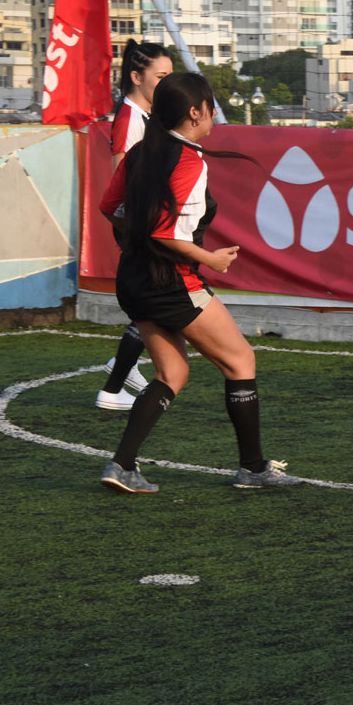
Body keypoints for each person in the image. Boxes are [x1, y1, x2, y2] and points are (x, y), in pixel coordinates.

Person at [97, 72, 300, 493]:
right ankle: (253, 469)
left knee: (172, 372)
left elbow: (109, 208)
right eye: (210, 106)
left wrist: (138, 238)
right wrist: (210, 258)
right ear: (195, 112)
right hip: (171, 282)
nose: (214, 115)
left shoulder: (138, 153)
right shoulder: (190, 161)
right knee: (240, 361)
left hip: (132, 280)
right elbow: (164, 234)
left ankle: (121, 466)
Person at [96, 40, 174, 412]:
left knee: (154, 306)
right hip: (139, 226)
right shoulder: (130, 120)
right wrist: (140, 231)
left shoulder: (146, 116)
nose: (168, 84)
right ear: (135, 77)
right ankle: (114, 385)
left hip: (145, 225)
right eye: (162, 77)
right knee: (158, 304)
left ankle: (117, 377)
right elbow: (120, 183)